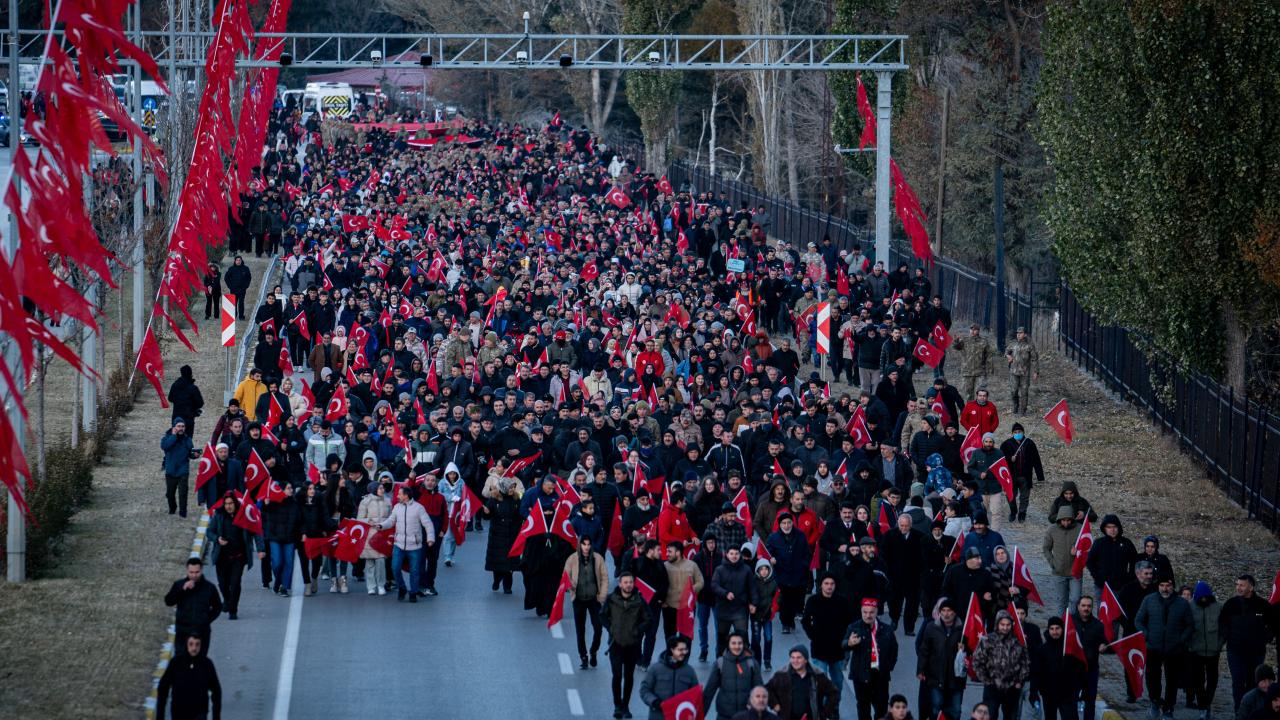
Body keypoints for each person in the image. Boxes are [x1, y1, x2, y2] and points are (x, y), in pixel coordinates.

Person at [1136, 576, 1194, 720]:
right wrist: (1146, 634)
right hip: (1153, 646)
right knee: (1152, 677)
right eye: (1161, 585)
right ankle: (1155, 701)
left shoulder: (1182, 603)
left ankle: (1169, 708)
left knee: (1172, 680)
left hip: (1174, 648)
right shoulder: (1149, 600)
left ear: (1172, 586)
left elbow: (1190, 625)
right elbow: (1139, 620)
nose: (1164, 588)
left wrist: (1181, 640)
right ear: (1158, 586)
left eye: (1167, 585)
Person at [602, 571, 652, 719]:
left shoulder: (640, 600)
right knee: (617, 675)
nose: (628, 585)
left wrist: (638, 631)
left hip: (632, 645)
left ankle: (626, 706)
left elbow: (649, 619)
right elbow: (602, 615)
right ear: (620, 584)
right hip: (615, 645)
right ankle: (617, 705)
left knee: (628, 676)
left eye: (630, 582)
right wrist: (611, 629)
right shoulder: (611, 599)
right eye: (625, 582)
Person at [205, 492, 262, 620]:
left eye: (231, 503)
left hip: (238, 557)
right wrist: (217, 539)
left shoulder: (244, 515)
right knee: (223, 584)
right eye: (226, 504)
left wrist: (260, 549)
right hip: (222, 557)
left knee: (235, 583)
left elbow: (256, 531)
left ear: (235, 503)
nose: (228, 506)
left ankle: (233, 609)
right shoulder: (219, 516)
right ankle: (227, 600)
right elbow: (209, 531)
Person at [1222, 575, 1275, 709]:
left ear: (1251, 587)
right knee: (1238, 683)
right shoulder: (1231, 604)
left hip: (1256, 652)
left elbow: (1273, 625)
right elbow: (1222, 623)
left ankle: (1252, 714)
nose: (1238, 588)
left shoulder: (1263, 605)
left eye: (1242, 585)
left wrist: (1264, 639)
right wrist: (1229, 637)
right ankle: (1239, 713)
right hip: (1235, 652)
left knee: (1253, 684)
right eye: (1237, 584)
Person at [800, 572, 854, 704]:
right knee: (822, 683)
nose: (829, 586)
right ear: (821, 585)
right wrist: (813, 636)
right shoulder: (813, 601)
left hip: (837, 649)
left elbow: (849, 622)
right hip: (819, 648)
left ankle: (834, 707)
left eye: (832, 584)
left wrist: (845, 639)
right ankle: (824, 710)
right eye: (826, 583)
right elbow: (805, 621)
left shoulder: (842, 601)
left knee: (837, 683)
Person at [377, 484, 436, 602]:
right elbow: (391, 521)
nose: (397, 495)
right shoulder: (397, 507)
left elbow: (428, 524)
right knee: (395, 568)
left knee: (414, 571)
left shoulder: (419, 508)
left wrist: (430, 538)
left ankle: (413, 592)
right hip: (398, 544)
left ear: (406, 496)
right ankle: (402, 588)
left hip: (414, 546)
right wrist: (381, 526)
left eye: (399, 494)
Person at [845, 597, 898, 720]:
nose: (868, 615)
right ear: (861, 611)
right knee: (863, 707)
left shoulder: (886, 629)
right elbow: (843, 644)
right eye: (865, 612)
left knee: (881, 707)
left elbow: (894, 649)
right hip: (861, 675)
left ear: (877, 611)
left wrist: (888, 666)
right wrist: (849, 643)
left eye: (871, 612)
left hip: (880, 675)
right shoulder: (854, 627)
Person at [972, 610, 1030, 720]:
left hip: (1012, 687)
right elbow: (977, 661)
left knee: (1011, 717)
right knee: (990, 715)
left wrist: (1019, 681)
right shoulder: (987, 640)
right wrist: (986, 680)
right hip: (992, 686)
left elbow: (1025, 663)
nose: (1005, 628)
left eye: (1008, 625)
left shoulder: (1017, 641)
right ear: (997, 624)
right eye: (1002, 624)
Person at [566, 535, 610, 669]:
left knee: (598, 627)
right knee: (580, 630)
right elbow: (565, 577)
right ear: (579, 545)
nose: (586, 547)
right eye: (584, 544)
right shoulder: (572, 559)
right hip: (578, 599)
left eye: (588, 544)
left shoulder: (598, 559)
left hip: (593, 599)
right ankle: (583, 656)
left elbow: (604, 578)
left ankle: (593, 650)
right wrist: (571, 585)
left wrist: (602, 596)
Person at [164, 557, 222, 657]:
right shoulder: (179, 585)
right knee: (181, 660)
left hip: (201, 631)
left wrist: (206, 619)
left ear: (201, 570)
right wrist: (182, 590)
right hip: (183, 630)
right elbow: (168, 601)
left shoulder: (209, 588)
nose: (194, 575)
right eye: (191, 572)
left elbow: (217, 607)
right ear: (187, 570)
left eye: (197, 572)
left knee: (199, 662)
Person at [764, 645, 840, 720]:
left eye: (799, 658)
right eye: (792, 658)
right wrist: (774, 704)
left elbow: (834, 692)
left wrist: (825, 713)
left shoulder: (817, 675)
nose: (795, 661)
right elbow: (767, 689)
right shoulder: (782, 675)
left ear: (806, 660)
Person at [156, 635, 222, 720]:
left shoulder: (206, 664)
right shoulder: (176, 663)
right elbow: (163, 688)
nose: (194, 648)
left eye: (197, 644)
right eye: (191, 644)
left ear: (201, 645)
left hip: (199, 713)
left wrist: (216, 717)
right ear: (186, 644)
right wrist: (160, 716)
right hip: (179, 713)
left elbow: (217, 691)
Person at [1032, 616, 1084, 720]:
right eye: (1052, 629)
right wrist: (1034, 692)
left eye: (1057, 628)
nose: (1055, 632)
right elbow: (1036, 672)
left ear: (1062, 629)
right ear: (1048, 630)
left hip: (1068, 695)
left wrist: (1078, 690)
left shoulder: (1070, 649)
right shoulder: (1042, 650)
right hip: (1048, 694)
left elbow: (1080, 670)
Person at [705, 629, 764, 718]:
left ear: (743, 644)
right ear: (728, 645)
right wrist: (700, 714)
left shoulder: (752, 663)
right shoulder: (720, 663)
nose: (737, 646)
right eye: (733, 643)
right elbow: (709, 691)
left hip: (746, 714)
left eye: (739, 643)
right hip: (724, 715)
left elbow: (760, 690)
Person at [640, 635, 700, 720]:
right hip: (658, 717)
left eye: (685, 649)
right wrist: (655, 702)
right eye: (680, 650)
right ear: (671, 650)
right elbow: (644, 690)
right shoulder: (656, 669)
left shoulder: (689, 671)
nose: (684, 652)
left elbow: (696, 694)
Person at [1186, 581, 1223, 720]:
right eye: (1201, 597)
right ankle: (1203, 706)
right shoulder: (1190, 607)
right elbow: (1185, 626)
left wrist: (1219, 644)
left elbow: (1224, 627)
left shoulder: (1218, 607)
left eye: (1205, 597)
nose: (1203, 600)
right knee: (1198, 681)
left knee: (1213, 679)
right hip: (1196, 651)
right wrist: (1190, 644)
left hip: (1214, 650)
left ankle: (1207, 704)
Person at [713, 544, 754, 658]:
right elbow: (714, 585)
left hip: (740, 610)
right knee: (722, 639)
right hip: (723, 610)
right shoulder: (719, 569)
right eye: (731, 553)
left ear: (739, 555)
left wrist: (753, 603)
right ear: (727, 554)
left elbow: (752, 588)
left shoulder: (746, 569)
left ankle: (745, 662)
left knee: (743, 638)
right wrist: (725, 593)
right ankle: (720, 663)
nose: (734, 556)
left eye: (736, 553)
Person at [998, 423, 1042, 523]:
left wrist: (1040, 476)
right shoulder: (1006, 444)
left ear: (1023, 432)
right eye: (1015, 432)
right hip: (1011, 476)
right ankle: (1013, 511)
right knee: (1010, 496)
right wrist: (1010, 458)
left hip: (1025, 476)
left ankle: (1022, 513)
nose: (1018, 433)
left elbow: (1036, 459)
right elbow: (1001, 460)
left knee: (1024, 497)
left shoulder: (1029, 443)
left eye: (1020, 432)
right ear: (1012, 433)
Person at [1043, 507, 1082, 614]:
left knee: (1075, 600)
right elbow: (1046, 548)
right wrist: (1052, 563)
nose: (1066, 523)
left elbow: (1087, 548)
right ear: (1059, 519)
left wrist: (1078, 551)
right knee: (1061, 602)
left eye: (1068, 520)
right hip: (1059, 573)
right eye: (1063, 520)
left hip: (1075, 572)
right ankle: (1063, 626)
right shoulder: (1052, 530)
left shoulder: (1080, 529)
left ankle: (1073, 624)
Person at [357, 480, 391, 595]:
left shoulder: (388, 501)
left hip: (383, 535)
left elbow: (391, 517)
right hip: (369, 535)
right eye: (380, 488)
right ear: (374, 489)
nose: (383, 490)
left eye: (383, 488)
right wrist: (368, 521)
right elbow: (359, 518)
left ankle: (381, 585)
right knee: (370, 562)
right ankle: (371, 586)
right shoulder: (365, 501)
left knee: (381, 561)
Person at [161, 417, 196, 517]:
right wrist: (174, 436)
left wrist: (194, 455)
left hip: (183, 470)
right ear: (174, 427)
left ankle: (183, 511)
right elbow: (165, 447)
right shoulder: (167, 438)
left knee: (183, 493)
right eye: (179, 426)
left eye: (183, 426)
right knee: (170, 493)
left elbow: (190, 453)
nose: (181, 428)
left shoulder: (187, 439)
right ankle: (172, 508)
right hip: (171, 470)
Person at [749, 556, 779, 671]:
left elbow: (778, 596)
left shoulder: (773, 582)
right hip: (756, 616)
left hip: (767, 616)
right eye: (761, 569)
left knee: (768, 638)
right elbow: (749, 595)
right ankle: (756, 661)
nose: (764, 571)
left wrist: (774, 607)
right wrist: (750, 605)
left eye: (766, 569)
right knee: (756, 640)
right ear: (757, 570)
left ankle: (767, 661)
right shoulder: (753, 582)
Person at [950, 324, 995, 400]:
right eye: (971, 329)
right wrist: (955, 341)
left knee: (981, 392)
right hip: (967, 371)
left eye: (975, 330)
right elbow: (956, 347)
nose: (973, 331)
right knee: (968, 394)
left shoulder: (983, 341)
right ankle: (970, 409)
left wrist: (990, 369)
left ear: (978, 331)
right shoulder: (964, 340)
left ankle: (980, 409)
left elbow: (989, 356)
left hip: (980, 371)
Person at [1003, 327, 1039, 415]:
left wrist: (1036, 371)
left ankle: (1023, 411)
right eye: (1017, 333)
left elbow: (1034, 359)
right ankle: (1016, 406)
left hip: (1024, 373)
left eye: (1021, 333)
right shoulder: (1013, 343)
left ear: (1025, 334)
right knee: (1013, 391)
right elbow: (1006, 352)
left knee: (1024, 392)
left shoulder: (1030, 345)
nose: (1018, 334)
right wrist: (1008, 356)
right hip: (1013, 372)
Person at [168, 366, 205, 440]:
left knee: (175, 438)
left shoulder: (175, 385)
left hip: (176, 417)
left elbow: (170, 398)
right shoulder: (193, 388)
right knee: (187, 439)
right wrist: (193, 407)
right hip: (189, 418)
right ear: (190, 374)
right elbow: (200, 403)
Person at [224, 255, 251, 320]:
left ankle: (241, 316)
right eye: (237, 260)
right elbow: (226, 278)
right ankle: (234, 315)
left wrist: (246, 286)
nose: (238, 261)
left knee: (241, 303)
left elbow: (249, 278)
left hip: (242, 289)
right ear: (235, 261)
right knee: (233, 303)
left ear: (241, 261)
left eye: (239, 260)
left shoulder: (245, 268)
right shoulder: (231, 269)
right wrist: (230, 286)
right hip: (233, 289)